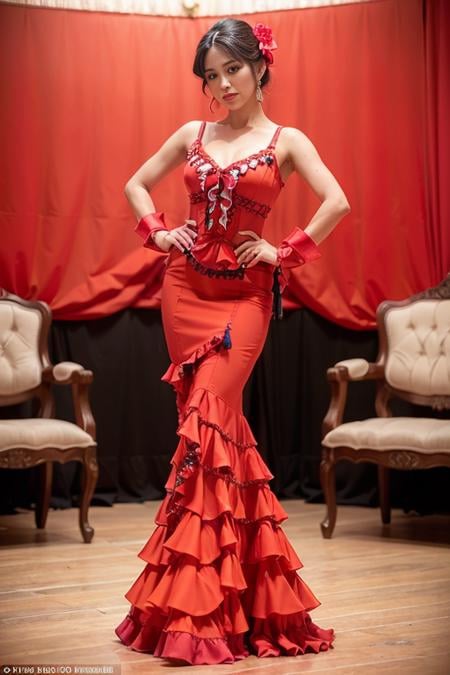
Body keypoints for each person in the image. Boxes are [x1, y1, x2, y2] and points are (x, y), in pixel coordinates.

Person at [115, 17, 350, 666]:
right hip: (183, 291)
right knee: (209, 437)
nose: (221, 85)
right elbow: (135, 184)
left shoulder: (287, 141)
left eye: (232, 71)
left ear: (260, 67)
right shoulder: (193, 133)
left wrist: (284, 251)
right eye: (211, 76)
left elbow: (337, 200)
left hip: (244, 301)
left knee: (210, 426)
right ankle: (209, 604)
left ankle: (200, 607)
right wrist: (159, 233)